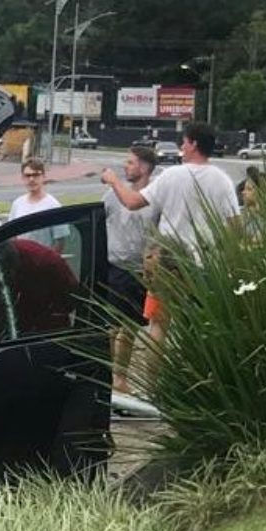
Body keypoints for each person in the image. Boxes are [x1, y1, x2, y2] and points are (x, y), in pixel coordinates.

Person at [101, 122, 239, 374]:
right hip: (204, 266)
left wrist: (112, 181)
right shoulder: (223, 181)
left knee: (158, 327)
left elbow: (132, 202)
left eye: (184, 142)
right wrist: (229, 266)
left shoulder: (172, 176)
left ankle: (154, 387)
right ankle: (192, 381)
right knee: (198, 329)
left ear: (194, 143)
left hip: (167, 265)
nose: (181, 148)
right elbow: (234, 228)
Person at [103, 145, 157, 394]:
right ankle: (113, 375)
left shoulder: (153, 197)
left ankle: (119, 376)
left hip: (140, 269)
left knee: (130, 326)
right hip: (114, 266)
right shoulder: (111, 196)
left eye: (131, 162)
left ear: (144, 168)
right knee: (113, 325)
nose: (126, 166)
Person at [8, 157, 61, 221]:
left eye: (36, 175)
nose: (31, 179)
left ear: (44, 177)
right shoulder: (17, 204)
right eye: (27, 175)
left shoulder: (53, 206)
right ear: (22, 177)